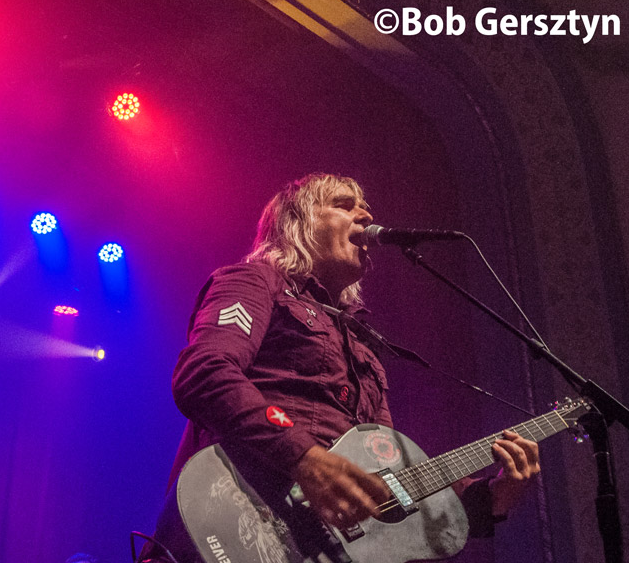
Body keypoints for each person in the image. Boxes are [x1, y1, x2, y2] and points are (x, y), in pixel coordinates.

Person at [169, 172, 539, 533]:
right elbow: (206, 372)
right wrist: (305, 456)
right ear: (298, 223)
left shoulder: (362, 345)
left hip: (314, 557)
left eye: (363, 206)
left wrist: (489, 498)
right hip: (238, 517)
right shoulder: (257, 281)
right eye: (344, 205)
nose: (366, 215)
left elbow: (390, 473)